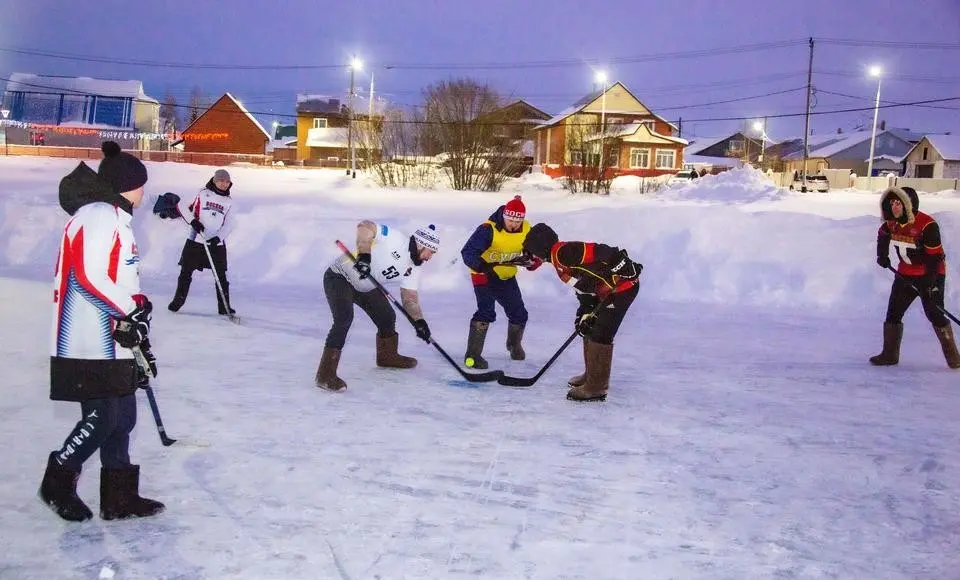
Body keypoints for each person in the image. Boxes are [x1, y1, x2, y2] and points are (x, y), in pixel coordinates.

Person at [40, 141, 164, 522]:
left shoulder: (111, 217)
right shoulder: (100, 216)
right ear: (129, 183)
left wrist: (135, 305)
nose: (145, 190)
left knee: (123, 416)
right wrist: (130, 308)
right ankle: (57, 481)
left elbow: (112, 276)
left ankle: (119, 498)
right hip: (87, 338)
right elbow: (88, 276)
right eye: (142, 182)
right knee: (102, 419)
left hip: (110, 335)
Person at [522, 223, 642, 402]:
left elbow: (600, 251)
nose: (533, 256)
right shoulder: (558, 262)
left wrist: (623, 264)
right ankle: (591, 375)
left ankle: (596, 388)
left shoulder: (565, 252)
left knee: (601, 334)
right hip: (604, 293)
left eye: (533, 250)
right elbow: (583, 288)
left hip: (621, 289)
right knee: (589, 326)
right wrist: (583, 313)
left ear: (540, 247)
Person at [316, 221, 440, 391]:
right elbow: (365, 226)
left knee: (387, 317)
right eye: (430, 252)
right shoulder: (396, 239)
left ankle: (387, 357)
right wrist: (364, 256)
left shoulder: (414, 268)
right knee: (344, 319)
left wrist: (419, 322)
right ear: (421, 245)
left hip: (365, 287)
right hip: (339, 277)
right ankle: (325, 374)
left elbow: (409, 298)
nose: (430, 257)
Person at [871, 186, 960, 368]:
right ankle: (889, 355)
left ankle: (954, 358)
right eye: (892, 203)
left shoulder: (927, 225)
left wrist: (929, 284)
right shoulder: (891, 223)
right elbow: (882, 235)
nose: (895, 207)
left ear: (908, 204)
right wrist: (882, 255)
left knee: (934, 313)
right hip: (904, 275)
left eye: (899, 203)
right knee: (893, 314)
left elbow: (935, 258)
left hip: (931, 274)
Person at [459, 195, 542, 369]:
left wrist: (532, 262)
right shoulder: (487, 229)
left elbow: (535, 254)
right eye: (509, 220)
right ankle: (473, 354)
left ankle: (513, 344)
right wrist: (482, 266)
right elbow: (468, 252)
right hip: (483, 273)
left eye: (516, 222)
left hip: (506, 275)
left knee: (519, 313)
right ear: (504, 216)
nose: (512, 224)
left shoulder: (527, 229)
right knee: (486, 311)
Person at [161, 168, 236, 315]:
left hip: (216, 244)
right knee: (186, 272)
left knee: (221, 275)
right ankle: (178, 300)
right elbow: (182, 206)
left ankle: (224, 306)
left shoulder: (229, 202)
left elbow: (229, 224)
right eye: (221, 180)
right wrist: (193, 221)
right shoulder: (202, 193)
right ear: (215, 181)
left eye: (227, 182)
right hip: (196, 240)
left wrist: (218, 238)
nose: (224, 184)